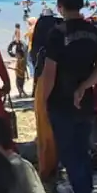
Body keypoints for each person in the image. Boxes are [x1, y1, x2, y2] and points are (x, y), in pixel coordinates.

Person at [39, 0, 97, 193]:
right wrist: (84, 87)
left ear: (59, 5)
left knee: (72, 155)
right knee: (82, 152)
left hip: (61, 102)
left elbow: (50, 73)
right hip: (86, 101)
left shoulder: (57, 34)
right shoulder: (92, 31)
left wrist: (42, 102)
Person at [30, 14, 62, 184]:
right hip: (53, 90)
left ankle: (48, 170)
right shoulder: (53, 48)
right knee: (52, 133)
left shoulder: (40, 50)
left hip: (43, 90)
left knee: (45, 133)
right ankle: (51, 170)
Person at [7, 29, 30, 99]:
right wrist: (27, 75)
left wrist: (10, 68)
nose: (16, 55)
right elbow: (25, 67)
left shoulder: (20, 61)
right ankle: (22, 94)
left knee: (18, 85)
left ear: (20, 55)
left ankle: (22, 94)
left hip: (19, 75)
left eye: (17, 54)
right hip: (22, 75)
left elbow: (18, 68)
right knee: (21, 85)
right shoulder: (22, 60)